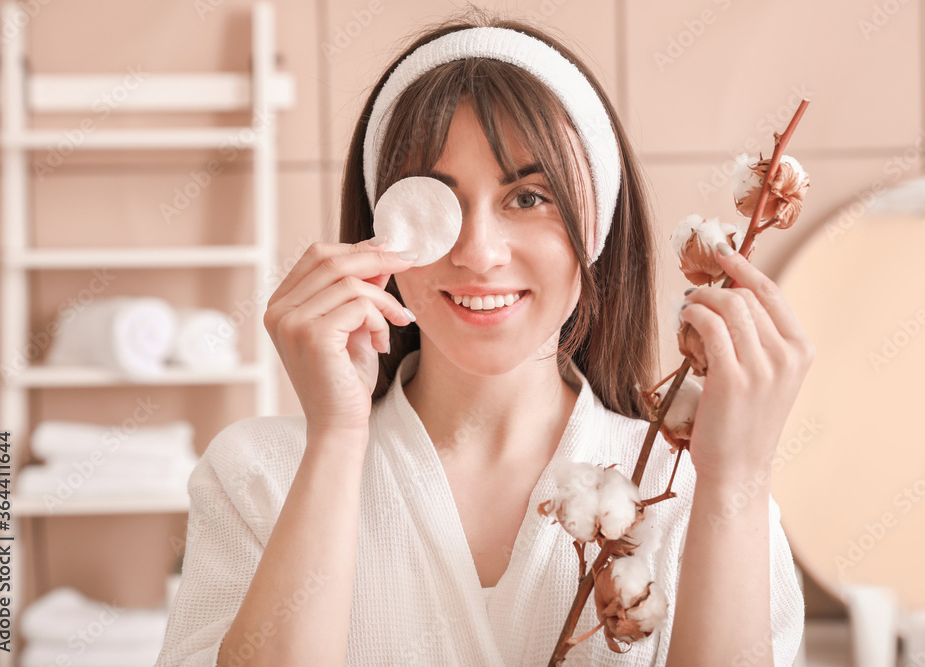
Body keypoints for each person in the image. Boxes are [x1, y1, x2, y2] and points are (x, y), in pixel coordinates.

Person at [155, 11, 813, 667]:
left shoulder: (692, 490)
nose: (477, 253)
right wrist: (335, 439)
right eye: (434, 198)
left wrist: (734, 485)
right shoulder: (258, 479)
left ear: (598, 230)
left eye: (528, 197)